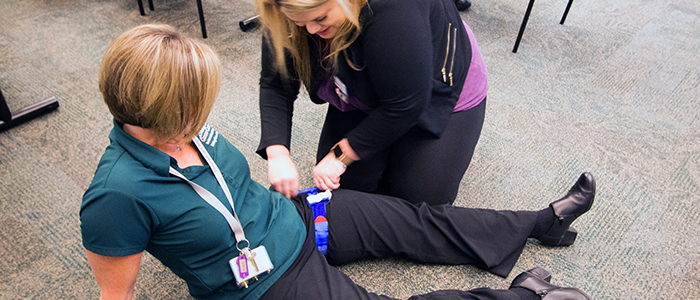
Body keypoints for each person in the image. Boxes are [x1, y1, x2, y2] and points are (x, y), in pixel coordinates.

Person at [80, 24, 595, 300]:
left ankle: (543, 223)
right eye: (195, 102)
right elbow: (115, 294)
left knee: (415, 221)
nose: (204, 111)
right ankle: (527, 298)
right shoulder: (116, 196)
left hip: (299, 216)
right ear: (165, 109)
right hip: (263, 282)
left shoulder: (187, 130)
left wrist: (281, 162)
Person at [255, 0, 490, 205]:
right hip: (360, 85)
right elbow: (276, 84)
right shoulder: (285, 9)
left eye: (320, 18)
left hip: (431, 86)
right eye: (299, 21)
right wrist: (278, 154)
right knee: (344, 189)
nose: (311, 29)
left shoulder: (393, 10)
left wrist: (341, 154)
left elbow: (405, 105)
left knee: (419, 200)